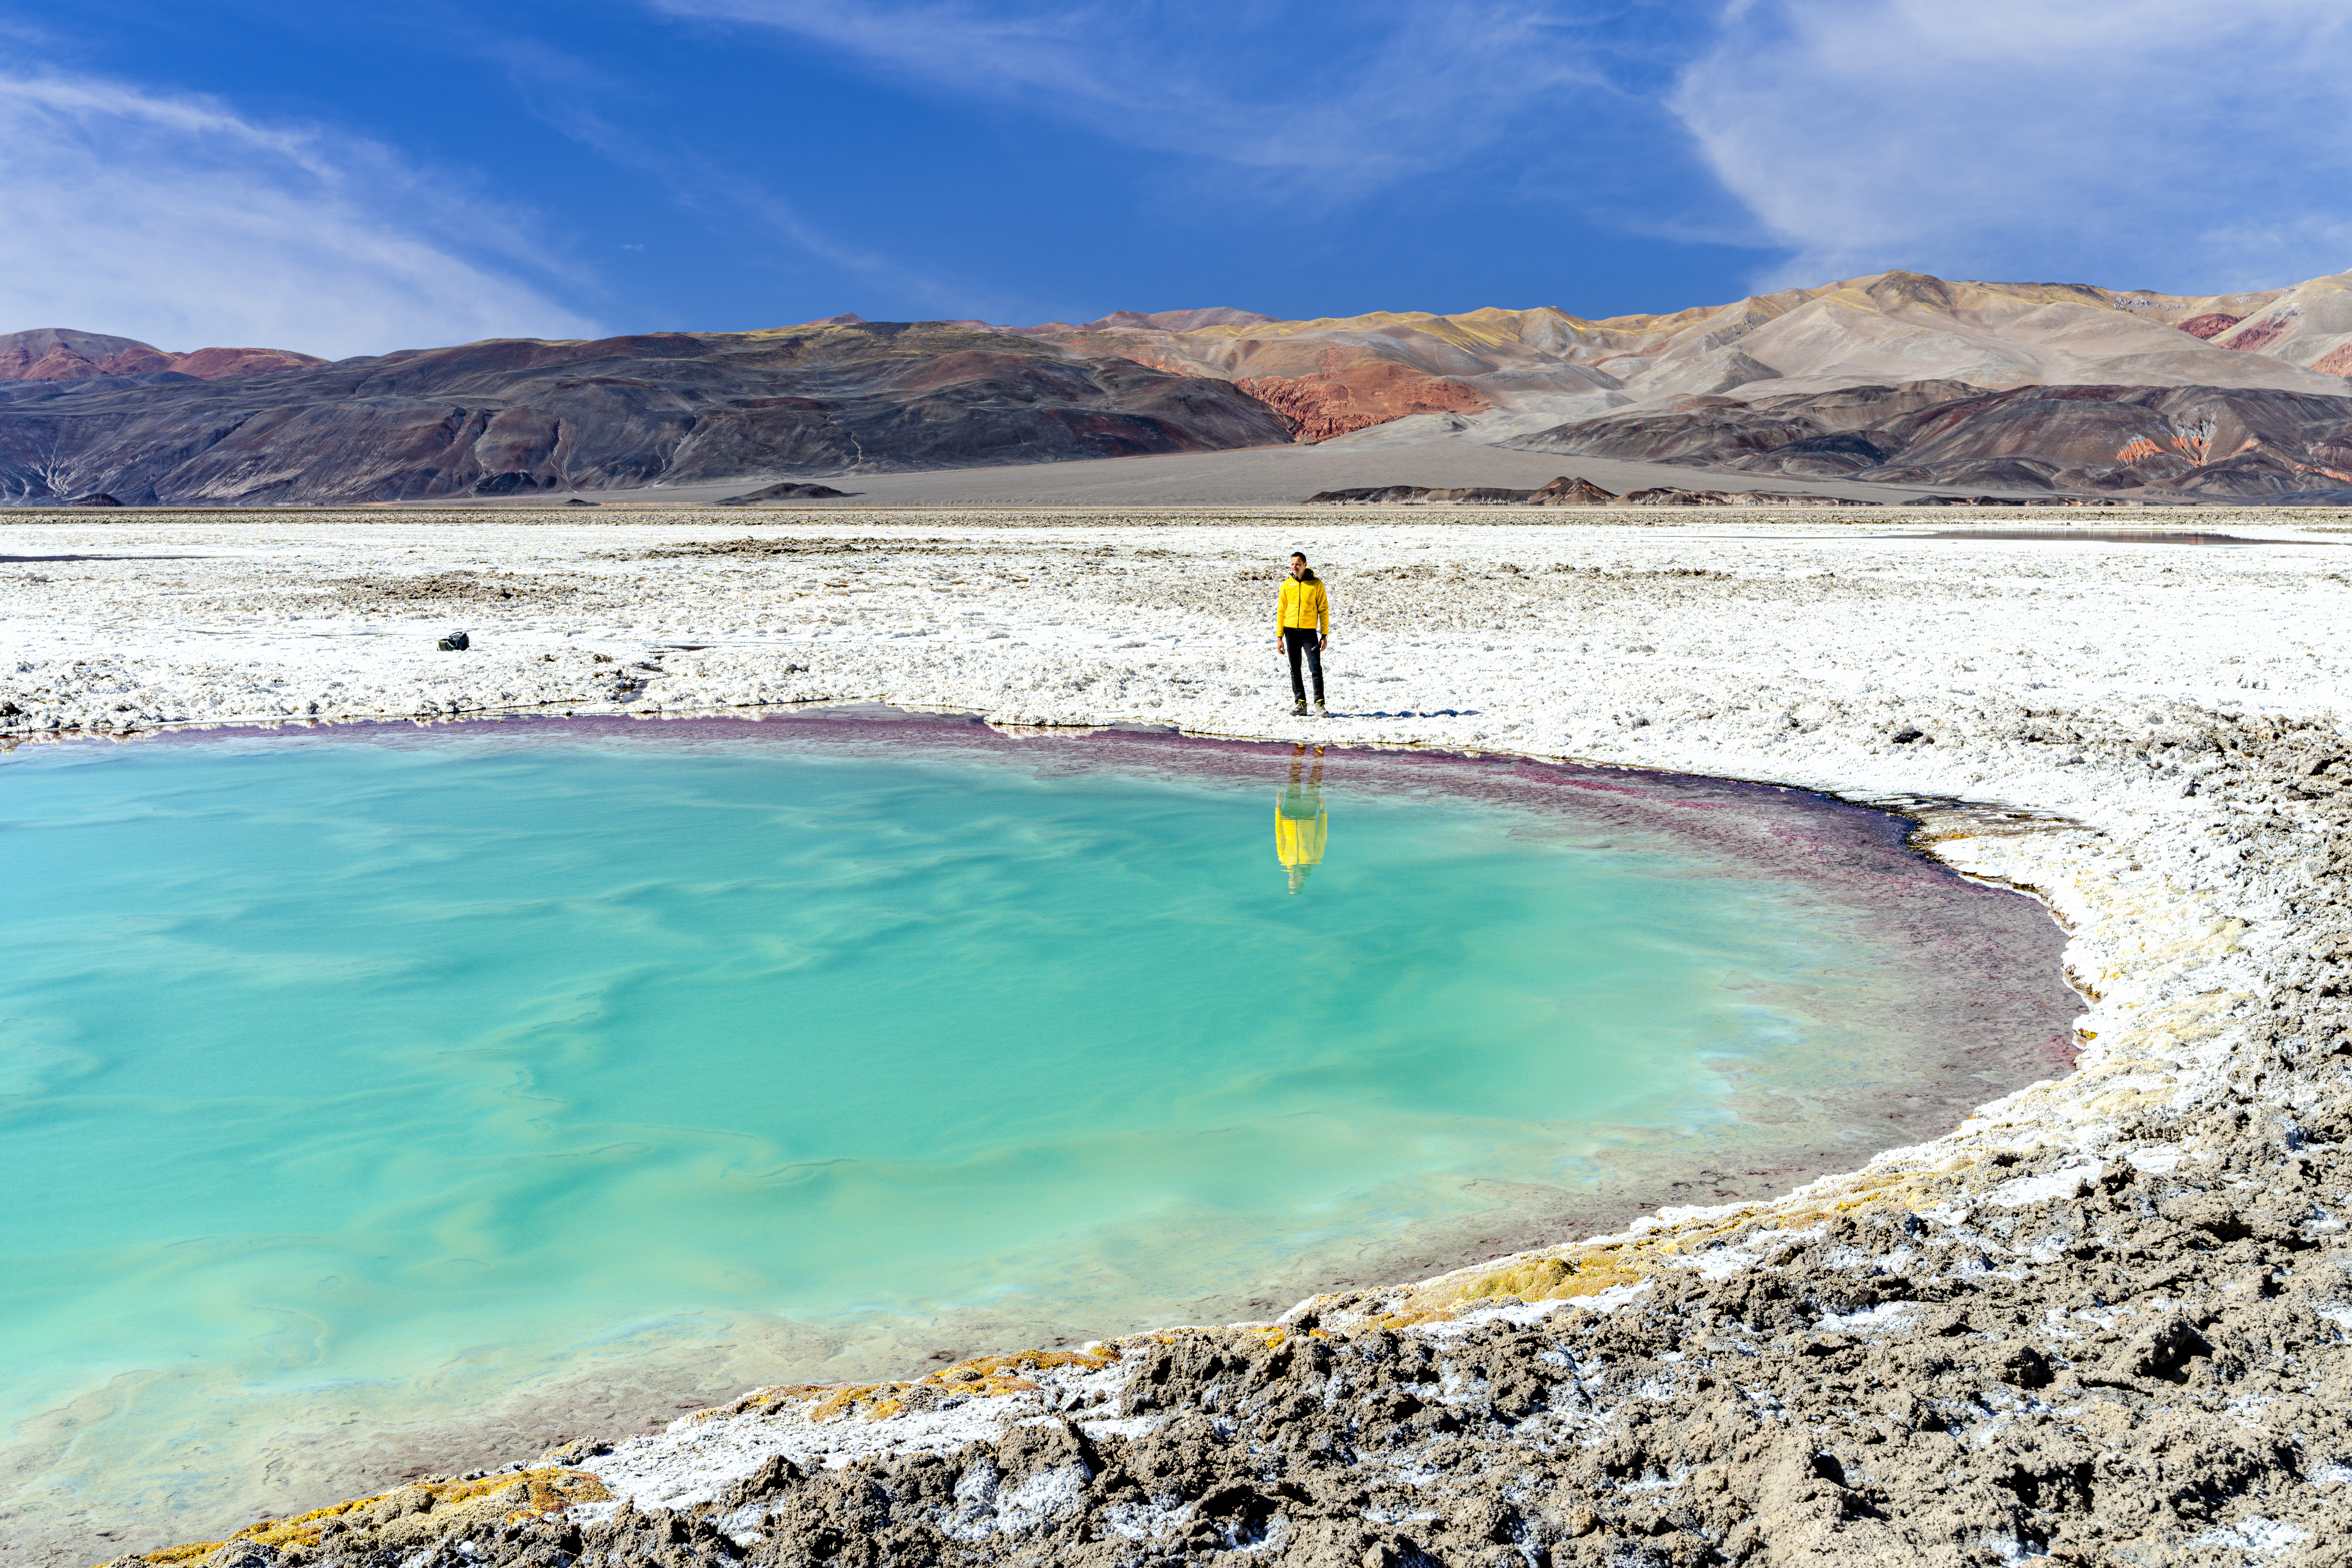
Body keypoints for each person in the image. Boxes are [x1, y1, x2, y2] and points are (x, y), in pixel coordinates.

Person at [1276, 551, 1330, 717]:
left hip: (1309, 634)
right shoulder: (1287, 585)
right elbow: (1281, 611)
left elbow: (1324, 610)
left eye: (1298, 564)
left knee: (1315, 668)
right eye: (1293, 564)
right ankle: (1300, 704)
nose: (1295, 567)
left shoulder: (1316, 584)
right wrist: (1280, 637)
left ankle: (1320, 705)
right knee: (1295, 669)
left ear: (1305, 565)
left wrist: (1324, 635)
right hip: (1290, 632)